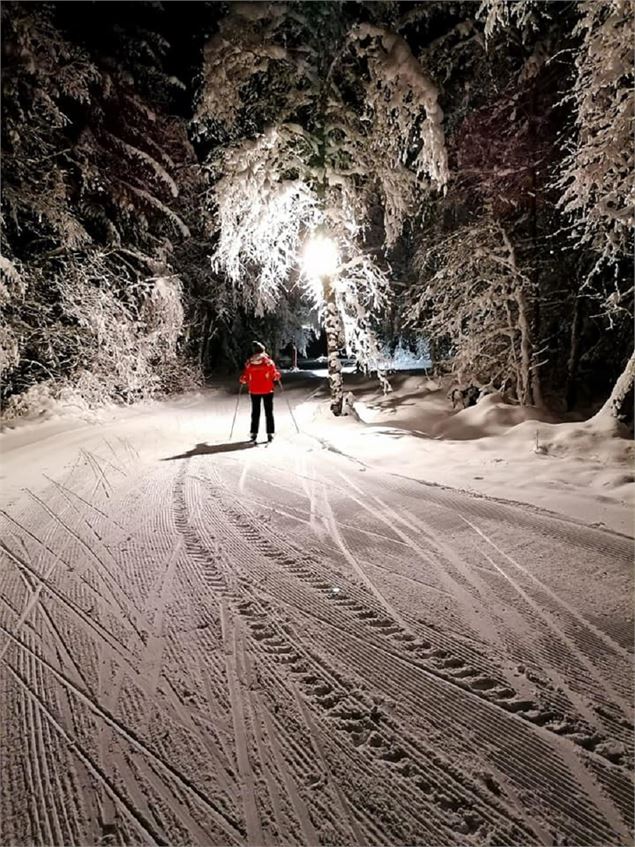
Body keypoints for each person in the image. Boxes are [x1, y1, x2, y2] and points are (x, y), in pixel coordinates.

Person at [240, 341, 281, 443]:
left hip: (254, 390)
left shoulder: (249, 363)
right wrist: (277, 376)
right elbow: (274, 375)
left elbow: (245, 376)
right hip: (268, 390)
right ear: (263, 350)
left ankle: (254, 433)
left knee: (255, 412)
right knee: (269, 412)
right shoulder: (269, 362)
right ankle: (270, 433)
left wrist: (243, 379)